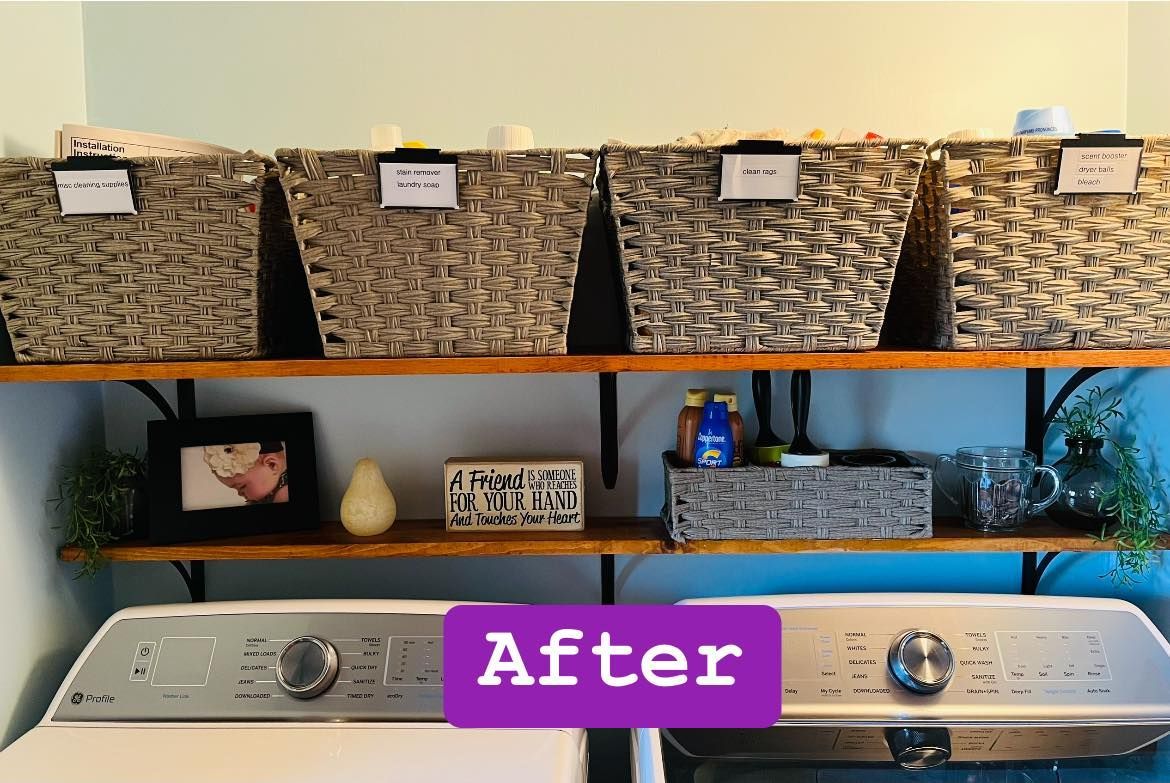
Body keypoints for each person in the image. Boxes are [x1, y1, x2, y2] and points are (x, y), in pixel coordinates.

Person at [203, 442, 289, 504]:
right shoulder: (270, 491)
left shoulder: (283, 495)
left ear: (272, 465)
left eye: (242, 486)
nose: (239, 494)